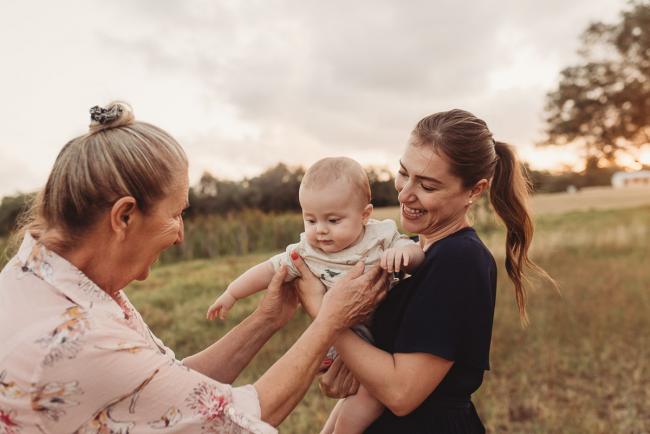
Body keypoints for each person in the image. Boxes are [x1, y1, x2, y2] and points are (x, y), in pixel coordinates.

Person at [0, 102, 387, 434]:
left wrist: (266, 319)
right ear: (124, 216)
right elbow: (238, 420)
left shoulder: (48, 280)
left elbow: (168, 388)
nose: (181, 235)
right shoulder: (75, 335)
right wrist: (328, 322)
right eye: (176, 214)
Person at [295, 109, 556, 433]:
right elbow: (375, 361)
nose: (404, 193)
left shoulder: (461, 260)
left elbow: (401, 393)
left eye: (428, 186)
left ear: (475, 190)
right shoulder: (409, 250)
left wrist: (321, 312)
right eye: (404, 173)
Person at [206, 157, 425, 434]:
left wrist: (405, 255)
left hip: (381, 332)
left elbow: (416, 253)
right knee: (367, 394)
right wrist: (232, 292)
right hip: (340, 339)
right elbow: (268, 269)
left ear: (365, 215)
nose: (320, 229)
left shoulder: (380, 237)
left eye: (333, 220)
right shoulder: (308, 251)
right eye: (310, 219)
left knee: (367, 394)